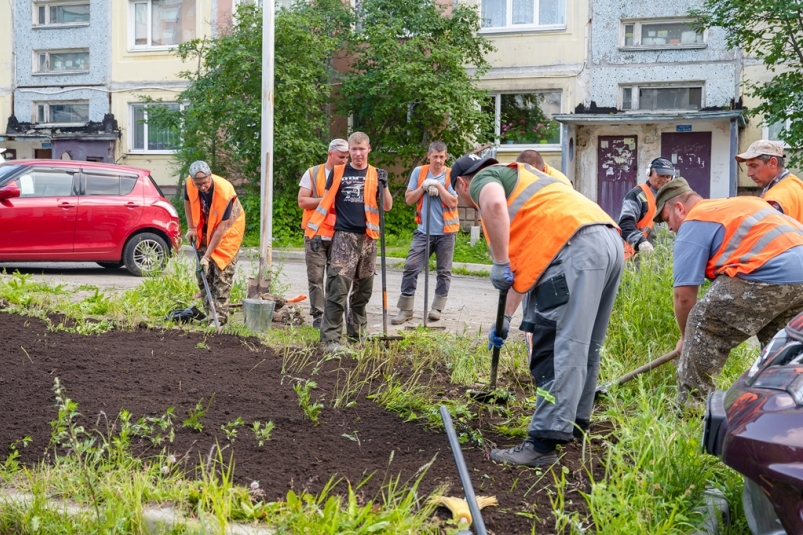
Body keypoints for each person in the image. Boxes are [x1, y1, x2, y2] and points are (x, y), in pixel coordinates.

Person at [451, 153, 623, 467]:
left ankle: (543, 442)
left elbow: (491, 205)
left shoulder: (483, 180)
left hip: (575, 246)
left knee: (556, 345)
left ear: (461, 183)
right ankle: (574, 423)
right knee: (584, 345)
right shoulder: (529, 179)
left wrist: (499, 261)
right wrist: (504, 319)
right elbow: (522, 272)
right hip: (606, 239)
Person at [653, 178, 803, 409]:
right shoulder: (738, 205)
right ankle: (785, 407)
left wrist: (687, 338)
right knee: (782, 343)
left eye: (667, 220)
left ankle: (691, 412)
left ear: (680, 208)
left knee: (703, 324)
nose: (670, 228)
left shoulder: (695, 220)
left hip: (769, 271)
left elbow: (684, 297)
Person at [305, 132, 393, 350]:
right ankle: (331, 339)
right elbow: (326, 204)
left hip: (368, 238)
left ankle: (357, 337)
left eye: (362, 149)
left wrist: (385, 185)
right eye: (354, 149)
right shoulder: (337, 173)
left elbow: (387, 206)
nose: (357, 153)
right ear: (349, 151)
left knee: (362, 292)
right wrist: (315, 234)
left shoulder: (375, 174)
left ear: (368, 149)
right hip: (343, 238)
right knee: (337, 289)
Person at [392, 141, 458, 324]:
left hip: (446, 233)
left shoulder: (452, 174)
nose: (438, 160)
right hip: (423, 232)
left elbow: (453, 202)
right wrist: (423, 187)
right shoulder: (419, 172)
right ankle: (405, 310)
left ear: (446, 156)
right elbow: (409, 199)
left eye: (442, 156)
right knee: (411, 267)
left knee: (444, 271)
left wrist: (439, 187)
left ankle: (437, 308)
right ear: (428, 156)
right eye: (435, 156)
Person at [184, 160, 246, 326]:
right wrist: (191, 228)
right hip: (207, 228)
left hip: (228, 232)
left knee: (221, 274)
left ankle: (219, 318)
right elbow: (188, 202)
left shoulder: (225, 192)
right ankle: (210, 314)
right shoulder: (190, 183)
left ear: (210, 176)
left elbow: (221, 228)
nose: (202, 187)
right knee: (202, 273)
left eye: (205, 183)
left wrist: (207, 256)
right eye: (198, 184)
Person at [298, 139, 350, 329]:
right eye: (340, 157)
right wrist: (326, 199)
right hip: (316, 233)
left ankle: (335, 314)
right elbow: (303, 201)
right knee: (316, 278)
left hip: (341, 233)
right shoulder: (313, 173)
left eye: (346, 157)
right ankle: (318, 316)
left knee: (338, 278)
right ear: (330, 154)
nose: (344, 161)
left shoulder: (350, 174)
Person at [618, 157, 675, 259]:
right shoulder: (637, 195)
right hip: (640, 257)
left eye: (668, 177)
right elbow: (625, 224)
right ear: (649, 173)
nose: (664, 180)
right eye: (660, 175)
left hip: (665, 259)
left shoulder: (673, 196)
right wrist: (641, 242)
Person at [736, 139, 803, 222]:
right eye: (748, 167)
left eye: (754, 166)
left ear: (773, 163)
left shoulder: (774, 201)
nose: (749, 174)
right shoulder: (796, 183)